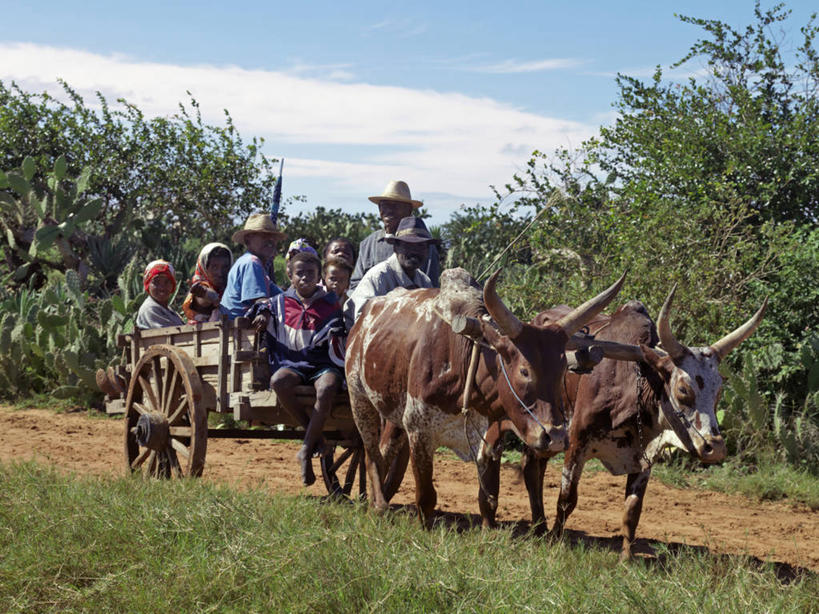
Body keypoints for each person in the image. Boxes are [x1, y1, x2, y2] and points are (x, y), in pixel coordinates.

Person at [249, 251, 345, 486]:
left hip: (322, 363)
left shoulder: (330, 303)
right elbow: (260, 307)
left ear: (318, 276)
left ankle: (305, 448)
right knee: (278, 382)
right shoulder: (279, 303)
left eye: (310, 273)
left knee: (328, 387)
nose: (305, 278)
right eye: (299, 273)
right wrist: (261, 315)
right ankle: (314, 436)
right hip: (291, 363)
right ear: (290, 275)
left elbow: (338, 330)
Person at [344, 216, 439, 329]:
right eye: (408, 245)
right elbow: (363, 322)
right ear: (395, 248)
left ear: (427, 251)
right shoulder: (378, 277)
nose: (414, 251)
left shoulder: (424, 281)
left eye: (420, 246)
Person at [349, 180, 440, 290]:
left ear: (409, 210)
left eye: (395, 206)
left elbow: (431, 288)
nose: (389, 210)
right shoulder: (368, 243)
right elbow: (355, 285)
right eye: (384, 205)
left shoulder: (424, 244)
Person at [221, 213, 287, 320]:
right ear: (248, 240)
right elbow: (261, 301)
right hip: (240, 330)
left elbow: (281, 297)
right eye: (264, 235)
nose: (270, 240)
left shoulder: (255, 265)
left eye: (273, 237)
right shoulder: (252, 262)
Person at [181, 243, 233, 324]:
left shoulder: (231, 289)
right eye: (214, 267)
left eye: (225, 267)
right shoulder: (200, 288)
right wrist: (205, 293)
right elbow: (203, 298)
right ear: (204, 267)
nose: (220, 273)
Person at [136, 260, 185, 329]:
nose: (162, 287)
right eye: (156, 282)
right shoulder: (150, 308)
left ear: (173, 285)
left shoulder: (168, 310)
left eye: (167, 282)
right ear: (148, 284)